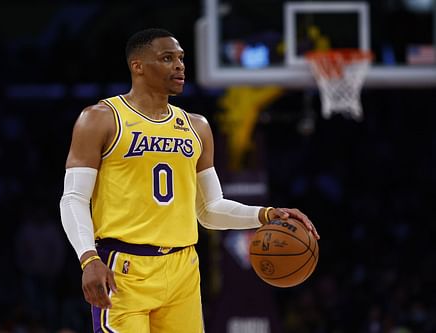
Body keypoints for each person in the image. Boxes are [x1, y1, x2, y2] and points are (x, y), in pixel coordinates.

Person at [60, 28, 319, 333]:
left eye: (181, 58)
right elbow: (74, 198)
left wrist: (264, 215)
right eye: (167, 58)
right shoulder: (100, 118)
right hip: (125, 267)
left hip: (183, 268)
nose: (180, 66)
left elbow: (210, 209)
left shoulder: (197, 126)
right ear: (138, 66)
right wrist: (88, 258)